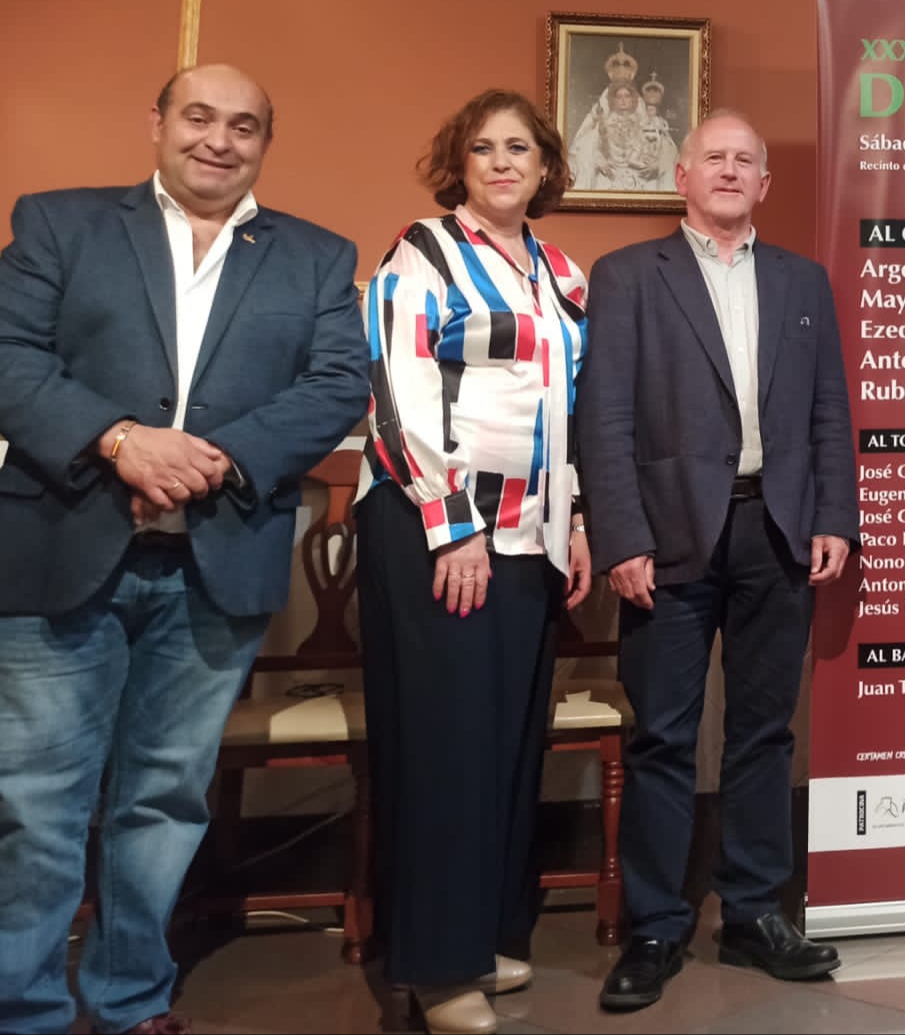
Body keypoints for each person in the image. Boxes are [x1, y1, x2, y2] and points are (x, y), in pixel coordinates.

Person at [0, 64, 368, 1035]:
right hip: (60, 555)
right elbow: (8, 353)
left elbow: (338, 384)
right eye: (198, 116)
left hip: (216, 564)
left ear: (264, 143)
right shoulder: (60, 223)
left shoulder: (317, 256)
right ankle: (23, 1009)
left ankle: (129, 1000)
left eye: (243, 125)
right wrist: (120, 439)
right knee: (38, 805)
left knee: (164, 801)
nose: (219, 139)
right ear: (157, 122)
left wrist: (213, 459)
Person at [577, 109, 856, 1011]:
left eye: (745, 160)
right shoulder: (627, 276)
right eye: (714, 158)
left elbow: (828, 410)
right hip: (666, 537)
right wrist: (620, 535)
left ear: (764, 184)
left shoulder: (803, 279)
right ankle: (656, 925)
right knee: (661, 733)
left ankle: (753, 912)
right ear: (682, 176)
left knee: (764, 732)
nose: (730, 171)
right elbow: (603, 417)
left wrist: (833, 515)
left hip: (777, 528)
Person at [357, 89, 593, 1034]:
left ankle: (489, 932)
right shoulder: (422, 251)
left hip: (532, 537)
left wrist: (576, 518)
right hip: (439, 531)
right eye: (485, 148)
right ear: (459, 163)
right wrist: (452, 523)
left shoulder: (561, 270)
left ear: (545, 167)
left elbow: (567, 405)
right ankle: (436, 964)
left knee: (507, 740)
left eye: (520, 148)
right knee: (446, 744)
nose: (503, 162)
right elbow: (394, 389)